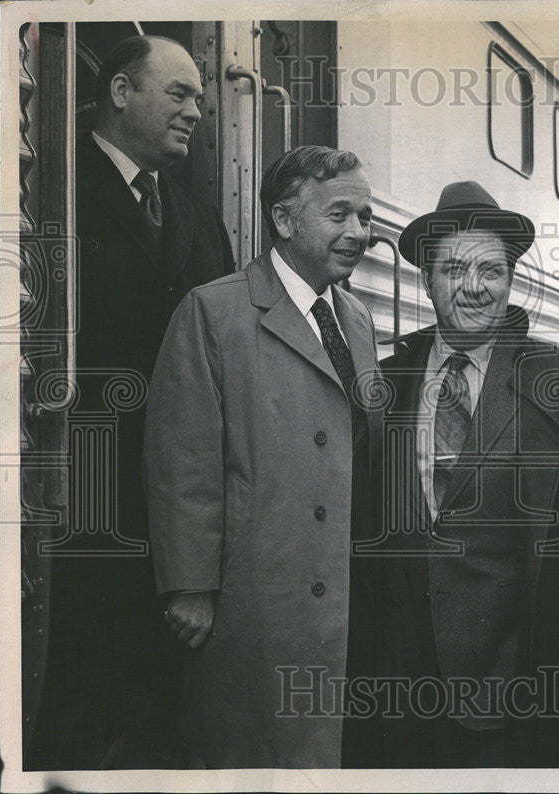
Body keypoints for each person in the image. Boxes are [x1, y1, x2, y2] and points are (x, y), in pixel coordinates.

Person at [29, 35, 234, 769]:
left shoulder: (198, 216)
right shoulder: (45, 186)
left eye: (202, 101)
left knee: (154, 709)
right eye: (178, 94)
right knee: (74, 707)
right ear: (120, 92)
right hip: (73, 504)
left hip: (169, 513)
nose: (195, 114)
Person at [143, 145, 382, 767]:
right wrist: (190, 587)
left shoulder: (356, 319)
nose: (359, 233)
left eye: (365, 216)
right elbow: (183, 464)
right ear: (284, 220)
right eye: (340, 215)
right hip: (255, 599)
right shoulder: (213, 311)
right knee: (252, 753)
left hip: (339, 594)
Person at [374, 181, 559, 767]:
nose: (475, 288)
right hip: (399, 686)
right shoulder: (389, 379)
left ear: (511, 280)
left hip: (517, 683)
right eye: (455, 270)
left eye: (492, 270)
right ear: (427, 280)